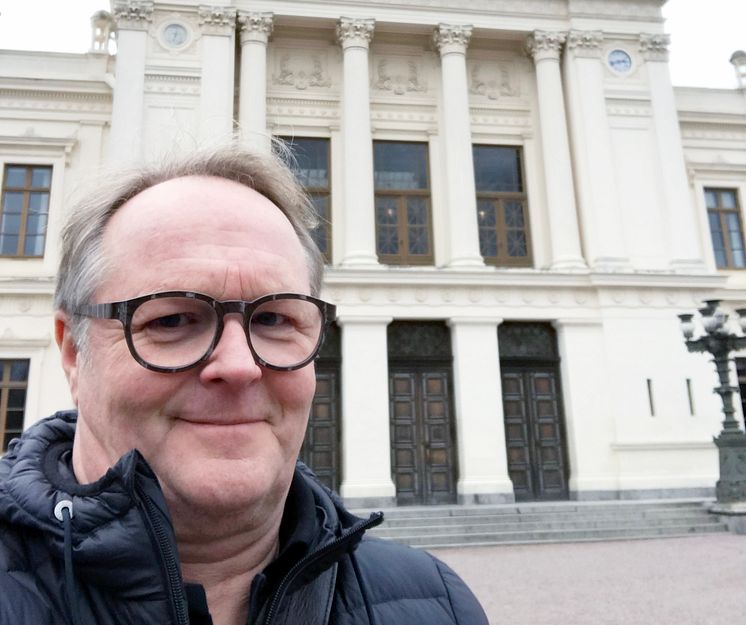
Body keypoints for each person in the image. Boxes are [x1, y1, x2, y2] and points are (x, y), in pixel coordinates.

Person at [0, 145, 487, 625]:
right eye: (171, 320)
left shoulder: (439, 604)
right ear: (72, 352)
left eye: (275, 317)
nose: (239, 366)